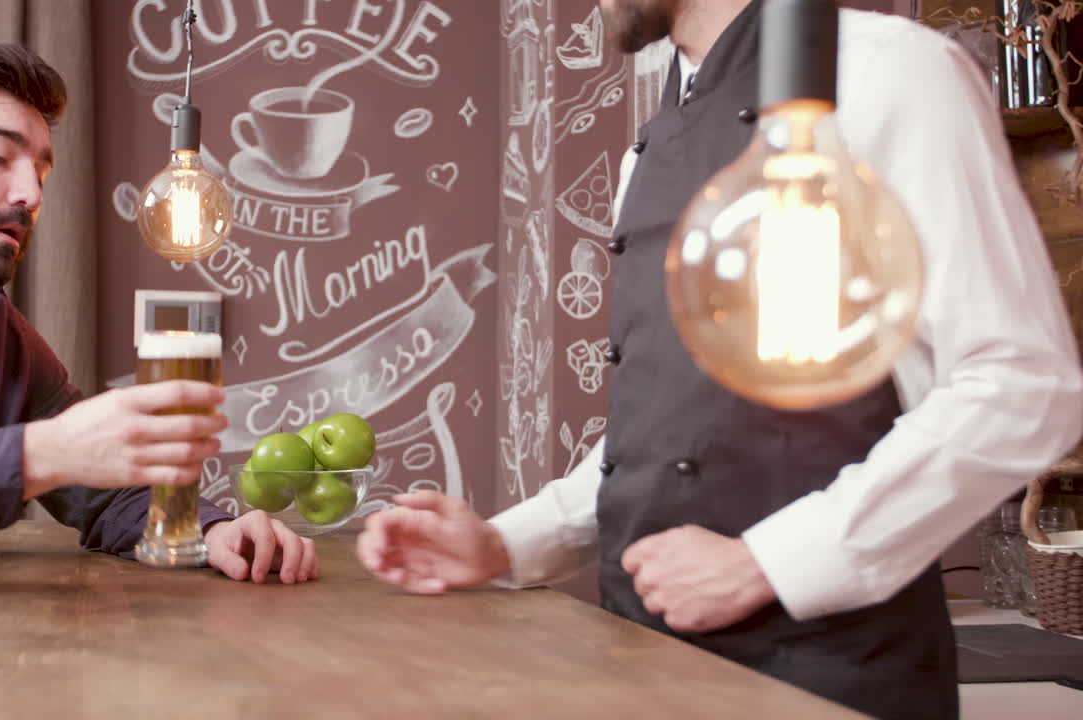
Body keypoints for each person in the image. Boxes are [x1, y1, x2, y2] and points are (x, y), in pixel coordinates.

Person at [357, 2, 1083, 718]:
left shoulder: (890, 70)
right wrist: (504, 545)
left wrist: (769, 562)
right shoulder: (652, 142)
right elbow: (677, 427)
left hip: (826, 676)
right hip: (649, 660)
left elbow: (1023, 384)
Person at [0, 40, 319, 718]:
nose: (30, 192)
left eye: (41, 170)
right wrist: (35, 453)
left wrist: (210, 531)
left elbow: (100, 491)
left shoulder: (2, 335)